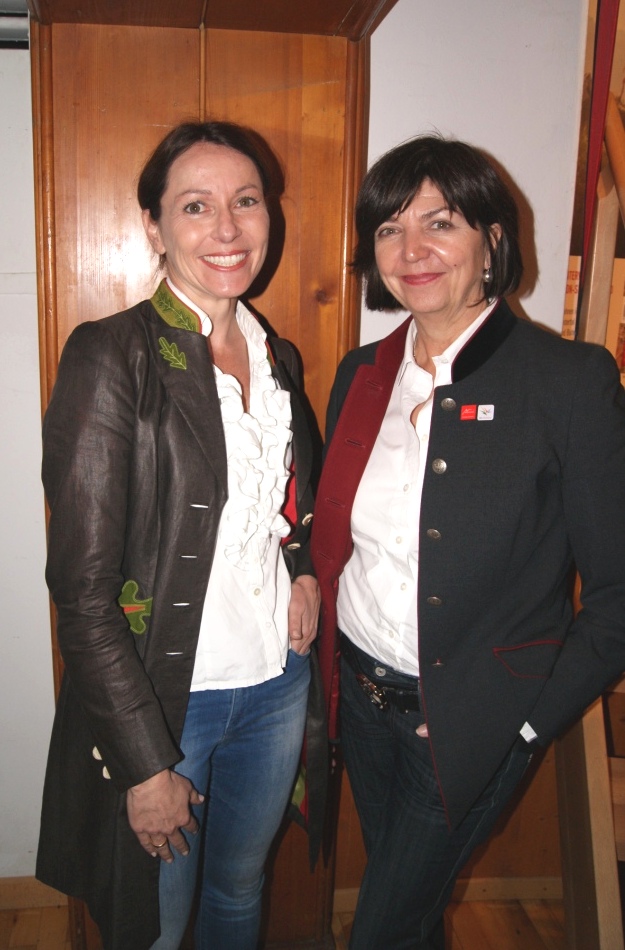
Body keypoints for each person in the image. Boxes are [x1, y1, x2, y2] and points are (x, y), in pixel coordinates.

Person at [312, 134, 625, 949]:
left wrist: (524, 726)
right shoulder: (361, 372)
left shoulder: (568, 381)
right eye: (389, 228)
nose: (410, 250)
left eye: (439, 222)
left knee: (379, 931)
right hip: (365, 707)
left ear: (490, 239)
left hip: (474, 723)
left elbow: (617, 597)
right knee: (409, 918)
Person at [36, 120, 321, 950]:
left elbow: (280, 502)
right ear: (154, 227)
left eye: (246, 202)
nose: (226, 228)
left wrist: (301, 568)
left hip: (276, 683)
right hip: (168, 700)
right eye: (196, 206)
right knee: (155, 926)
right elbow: (82, 592)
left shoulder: (279, 359)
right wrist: (143, 762)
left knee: (239, 891)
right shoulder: (111, 355)